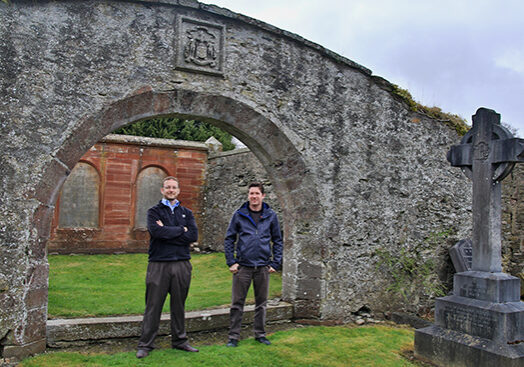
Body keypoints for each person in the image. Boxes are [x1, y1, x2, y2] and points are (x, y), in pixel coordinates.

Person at [136, 176, 199, 358]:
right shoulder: (153, 212)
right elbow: (156, 232)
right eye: (168, 187)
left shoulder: (187, 212)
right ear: (162, 190)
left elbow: (193, 235)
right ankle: (146, 344)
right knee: (153, 305)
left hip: (181, 264)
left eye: (174, 187)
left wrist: (169, 231)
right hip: (159, 264)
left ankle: (180, 341)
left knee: (179, 305)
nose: (171, 190)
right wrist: (181, 230)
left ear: (178, 190)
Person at [224, 182, 283, 347]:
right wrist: (231, 261)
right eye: (251, 193)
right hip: (243, 266)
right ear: (248, 195)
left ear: (263, 195)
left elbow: (277, 240)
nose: (254, 196)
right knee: (237, 303)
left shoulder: (271, 215)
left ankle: (260, 334)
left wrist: (275, 263)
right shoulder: (239, 214)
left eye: (257, 193)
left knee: (261, 303)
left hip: (263, 267)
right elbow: (229, 238)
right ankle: (233, 337)